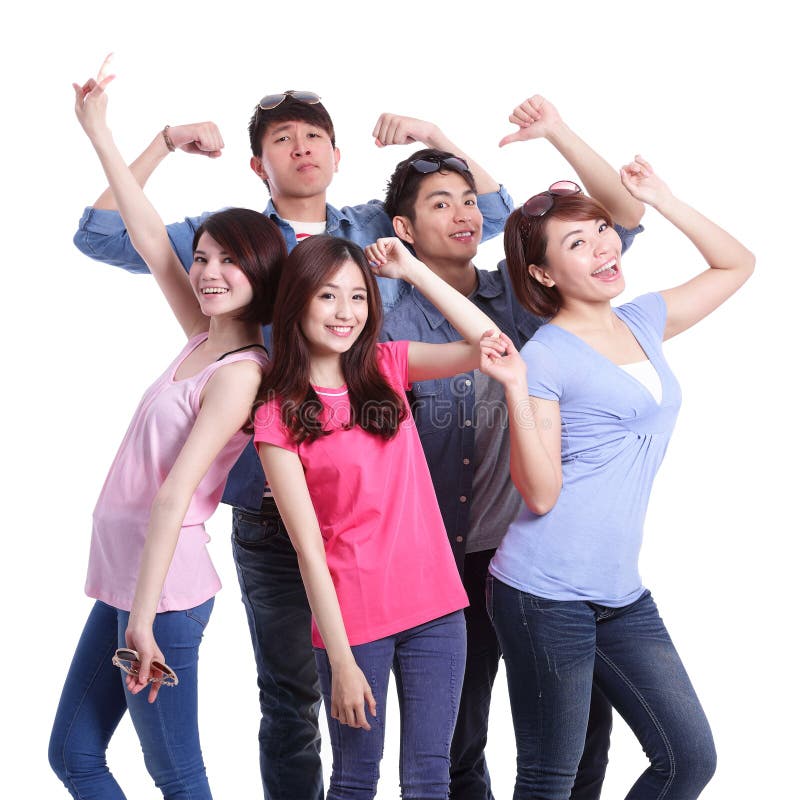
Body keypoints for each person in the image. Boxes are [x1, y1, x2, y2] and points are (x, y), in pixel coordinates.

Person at [71, 81, 513, 800]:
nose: (213, 273)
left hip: (380, 530)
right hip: (274, 516)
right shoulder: (238, 273)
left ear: (338, 155)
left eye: (354, 295)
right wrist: (124, 138)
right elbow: (130, 239)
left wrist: (431, 152)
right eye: (281, 139)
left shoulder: (374, 234)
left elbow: (489, 212)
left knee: (415, 755)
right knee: (292, 705)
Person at [380, 93, 645, 800]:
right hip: (437, 560)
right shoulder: (385, 319)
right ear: (403, 229)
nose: (465, 213)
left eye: (470, 198)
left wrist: (552, 130)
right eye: (440, 203)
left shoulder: (528, 297)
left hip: (527, 551)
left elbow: (619, 219)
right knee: (457, 739)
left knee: (583, 727)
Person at [479, 154, 754, 800]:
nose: (604, 244)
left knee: (689, 759)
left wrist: (661, 197)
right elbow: (541, 493)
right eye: (577, 241)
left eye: (602, 228)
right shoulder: (544, 355)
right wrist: (517, 389)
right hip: (543, 593)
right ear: (543, 273)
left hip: (620, 592)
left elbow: (737, 263)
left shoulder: (644, 321)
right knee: (552, 779)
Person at [49, 71, 284, 799]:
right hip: (125, 578)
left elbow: (176, 492)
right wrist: (104, 133)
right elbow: (150, 237)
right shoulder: (199, 337)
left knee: (177, 777)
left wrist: (142, 623)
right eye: (205, 258)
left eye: (229, 262)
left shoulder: (241, 371)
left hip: (164, 597)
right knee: (74, 756)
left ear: (263, 274)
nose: (209, 272)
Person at [252, 233, 506, 799]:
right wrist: (340, 660)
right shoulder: (278, 415)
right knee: (354, 781)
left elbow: (489, 342)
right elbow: (308, 550)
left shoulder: (388, 368)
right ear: (297, 302)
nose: (346, 313)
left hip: (438, 607)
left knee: (429, 780)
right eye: (327, 296)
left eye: (358, 297)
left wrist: (412, 270)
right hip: (355, 621)